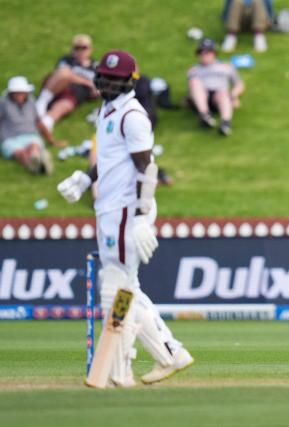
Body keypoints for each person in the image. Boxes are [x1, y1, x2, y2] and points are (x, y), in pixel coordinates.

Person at [57, 50, 193, 387]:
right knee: (126, 287)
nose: (107, 82)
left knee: (116, 289)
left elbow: (146, 166)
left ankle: (121, 367)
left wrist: (143, 216)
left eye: (115, 78)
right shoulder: (107, 109)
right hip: (110, 208)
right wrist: (87, 178)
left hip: (125, 211)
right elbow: (108, 158)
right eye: (104, 76)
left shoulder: (132, 115)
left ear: (130, 81)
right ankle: (169, 353)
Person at [0, 76, 66, 174]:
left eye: (21, 92)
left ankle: (37, 161)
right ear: (11, 93)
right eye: (17, 92)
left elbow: (38, 122)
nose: (19, 95)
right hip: (10, 138)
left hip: (30, 135)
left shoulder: (31, 102)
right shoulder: (3, 104)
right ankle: (36, 166)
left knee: (34, 146)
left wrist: (52, 140)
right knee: (20, 153)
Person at [35, 34, 99, 132]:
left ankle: (45, 123)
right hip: (57, 87)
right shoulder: (67, 60)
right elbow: (63, 74)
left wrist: (95, 90)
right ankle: (41, 103)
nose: (81, 51)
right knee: (65, 73)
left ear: (90, 49)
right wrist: (88, 83)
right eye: (77, 48)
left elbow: (98, 88)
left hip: (75, 94)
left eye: (84, 48)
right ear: (73, 49)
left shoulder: (96, 67)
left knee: (66, 105)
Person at [188, 38, 245, 136]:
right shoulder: (194, 70)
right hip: (202, 96)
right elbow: (192, 89)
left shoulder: (226, 67)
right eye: (201, 52)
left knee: (222, 93)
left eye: (208, 52)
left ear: (214, 53)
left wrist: (233, 95)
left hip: (220, 96)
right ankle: (205, 115)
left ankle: (226, 123)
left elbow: (239, 84)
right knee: (194, 81)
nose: (204, 55)